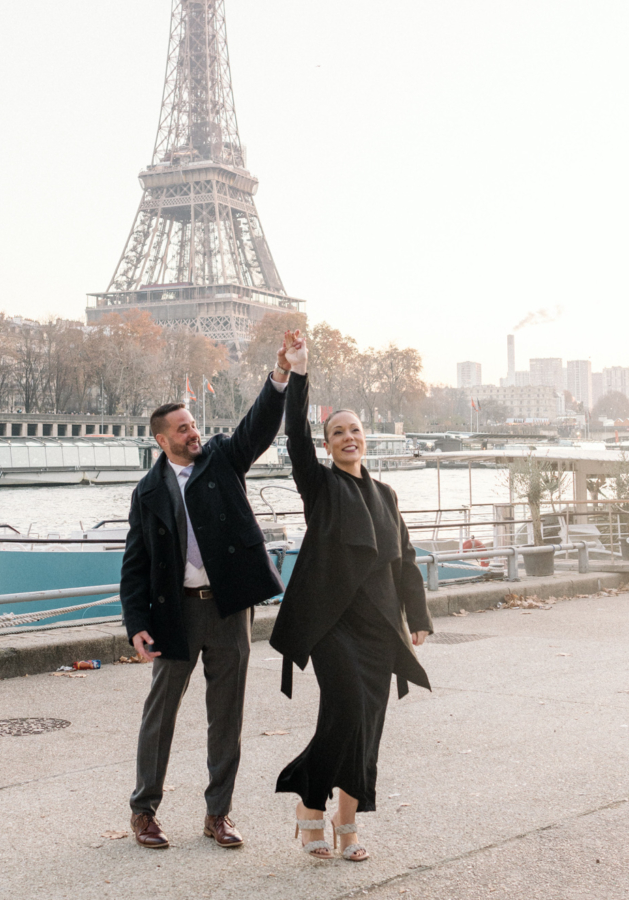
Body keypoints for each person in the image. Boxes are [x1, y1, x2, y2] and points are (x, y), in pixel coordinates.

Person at [269, 331, 432, 862]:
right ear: (329, 444)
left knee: (370, 725)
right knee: (344, 713)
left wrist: (418, 617)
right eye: (337, 432)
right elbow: (293, 436)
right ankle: (310, 804)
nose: (348, 437)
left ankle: (346, 820)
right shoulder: (319, 487)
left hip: (380, 626)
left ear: (366, 438)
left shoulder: (386, 494)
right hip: (332, 626)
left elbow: (404, 561)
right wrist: (297, 375)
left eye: (354, 430)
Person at [120, 350, 292, 850]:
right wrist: (136, 625)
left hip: (229, 608)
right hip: (174, 613)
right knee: (160, 714)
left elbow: (258, 427)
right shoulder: (147, 492)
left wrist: (278, 375)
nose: (193, 433)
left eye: (193, 425)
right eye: (182, 429)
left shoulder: (221, 458)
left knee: (227, 715)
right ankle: (144, 811)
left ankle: (218, 814)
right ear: (161, 439)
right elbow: (134, 566)